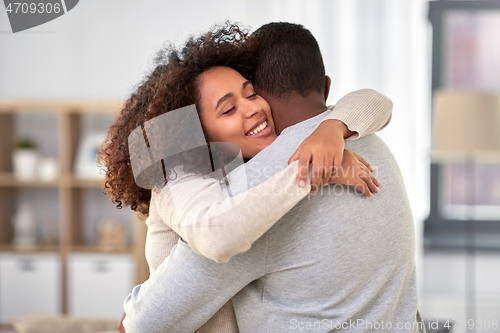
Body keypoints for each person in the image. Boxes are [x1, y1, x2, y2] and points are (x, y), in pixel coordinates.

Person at [122, 22, 425, 333]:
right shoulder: (370, 143)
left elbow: (148, 321)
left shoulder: (250, 188)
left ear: (260, 89)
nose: (252, 109)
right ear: (325, 87)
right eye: (228, 109)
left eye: (251, 93)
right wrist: (315, 165)